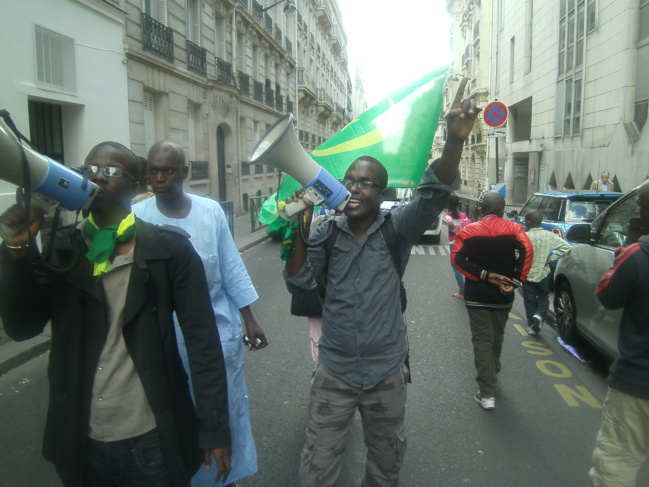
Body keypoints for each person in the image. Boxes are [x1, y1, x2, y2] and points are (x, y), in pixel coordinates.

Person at [0, 142, 232, 486]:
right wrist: (17, 250)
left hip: (150, 436)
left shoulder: (170, 251)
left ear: (138, 185)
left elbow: (203, 344)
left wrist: (214, 430)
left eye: (110, 172)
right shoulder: (63, 249)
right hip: (83, 440)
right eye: (89, 169)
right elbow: (22, 327)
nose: (96, 177)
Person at [284, 78, 479, 486]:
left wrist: (455, 144)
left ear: (382, 192)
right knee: (316, 467)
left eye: (367, 182)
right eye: (350, 179)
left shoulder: (398, 227)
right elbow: (299, 281)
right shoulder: (325, 232)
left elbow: (432, 193)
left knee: (386, 466)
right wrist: (299, 226)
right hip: (334, 371)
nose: (354, 187)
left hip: (385, 373)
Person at [133, 140, 268, 487]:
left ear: (186, 172)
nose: (160, 178)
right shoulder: (137, 218)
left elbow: (230, 266)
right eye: (154, 171)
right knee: (176, 413)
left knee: (225, 409)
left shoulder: (210, 213)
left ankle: (227, 476)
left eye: (169, 170)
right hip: (164, 340)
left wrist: (248, 319)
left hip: (215, 339)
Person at [588, 180, 649, 487]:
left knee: (617, 464)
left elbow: (607, 296)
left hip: (637, 384)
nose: (636, 210)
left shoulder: (637, 255)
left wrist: (629, 244)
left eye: (639, 205)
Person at [451, 192, 533, 410]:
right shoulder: (516, 230)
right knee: (497, 337)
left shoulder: (469, 231)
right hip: (503, 296)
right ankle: (492, 373)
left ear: (481, 209)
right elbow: (527, 252)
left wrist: (484, 274)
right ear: (503, 209)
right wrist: (515, 281)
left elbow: (457, 260)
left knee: (482, 341)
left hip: (477, 294)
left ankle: (487, 392)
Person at [523, 210, 571, 335]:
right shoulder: (549, 236)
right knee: (544, 297)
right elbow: (566, 247)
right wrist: (551, 259)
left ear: (528, 222)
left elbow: (517, 254)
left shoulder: (525, 237)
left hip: (528, 274)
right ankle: (539, 316)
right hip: (544, 274)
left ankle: (531, 325)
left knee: (529, 300)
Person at [445, 194, 471, 298]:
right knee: (465, 265)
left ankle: (462, 291)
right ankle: (468, 288)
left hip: (454, 244)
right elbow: (468, 226)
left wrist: (456, 232)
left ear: (449, 204)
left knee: (455, 266)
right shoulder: (464, 215)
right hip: (464, 243)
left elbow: (451, 225)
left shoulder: (448, 215)